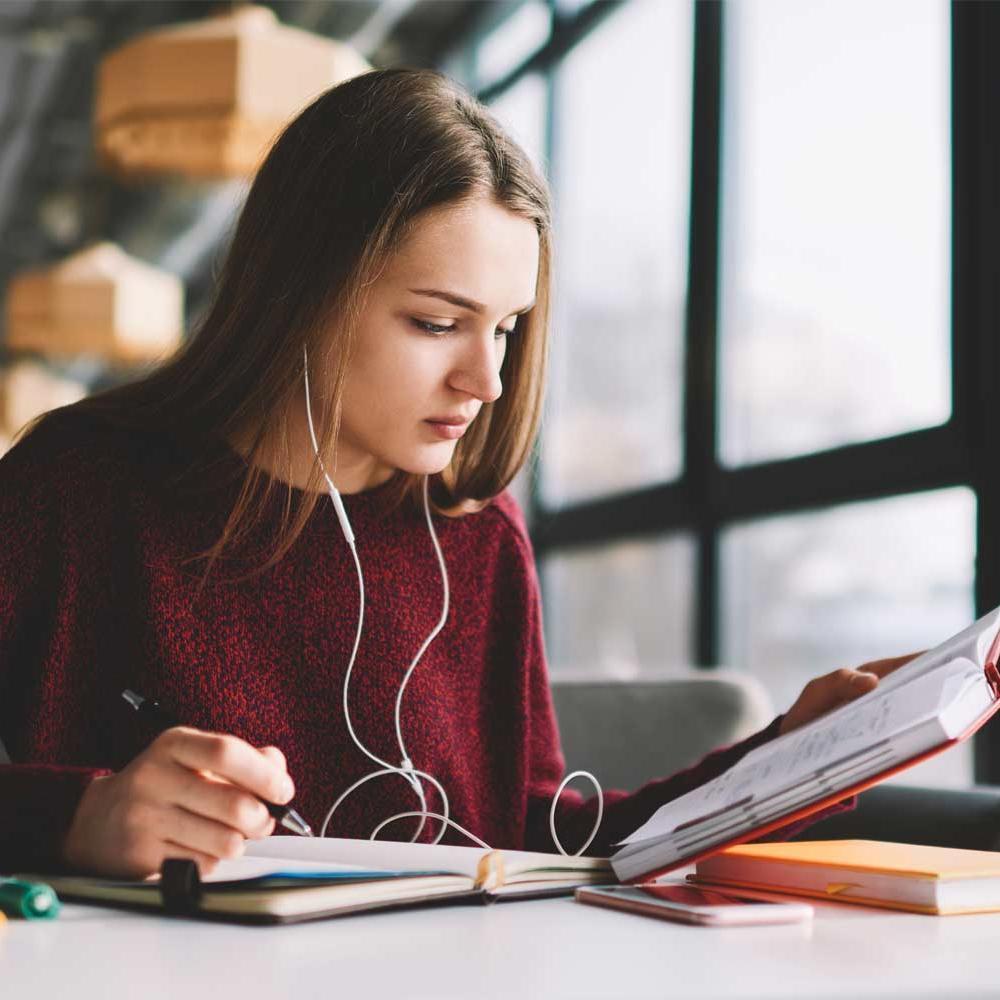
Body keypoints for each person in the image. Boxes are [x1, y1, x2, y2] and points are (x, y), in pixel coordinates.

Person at [0, 68, 912, 879]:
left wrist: (791, 756)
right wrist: (77, 817)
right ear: (300, 292)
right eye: (437, 323)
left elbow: (533, 839)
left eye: (507, 327)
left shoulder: (476, 534)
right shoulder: (76, 488)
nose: (488, 381)